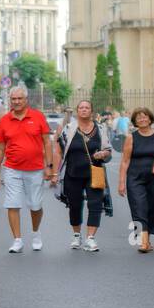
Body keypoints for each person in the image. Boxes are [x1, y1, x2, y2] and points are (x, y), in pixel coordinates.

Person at [0, 86, 56, 253]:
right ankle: (17, 240)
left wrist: (49, 166)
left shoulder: (38, 117)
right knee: (12, 204)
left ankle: (35, 233)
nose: (17, 102)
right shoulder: (5, 120)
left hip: (35, 169)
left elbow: (47, 142)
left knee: (35, 205)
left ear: (26, 100)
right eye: (13, 99)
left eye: (20, 98)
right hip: (12, 169)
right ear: (10, 100)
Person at [57, 100, 113, 251]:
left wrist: (104, 153)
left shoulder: (100, 128)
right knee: (75, 205)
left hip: (95, 172)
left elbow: (109, 151)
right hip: (72, 173)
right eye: (81, 107)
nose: (84, 110)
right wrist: (56, 171)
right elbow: (60, 150)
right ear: (77, 111)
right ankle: (76, 235)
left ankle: (90, 238)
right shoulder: (69, 128)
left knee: (95, 204)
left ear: (91, 111)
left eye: (87, 107)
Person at [119, 107, 154, 253]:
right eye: (139, 117)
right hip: (135, 178)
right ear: (135, 121)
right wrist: (121, 182)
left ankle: (147, 239)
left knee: (152, 208)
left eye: (145, 116)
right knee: (138, 208)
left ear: (150, 119)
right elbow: (125, 161)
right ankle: (143, 243)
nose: (142, 119)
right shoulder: (131, 137)